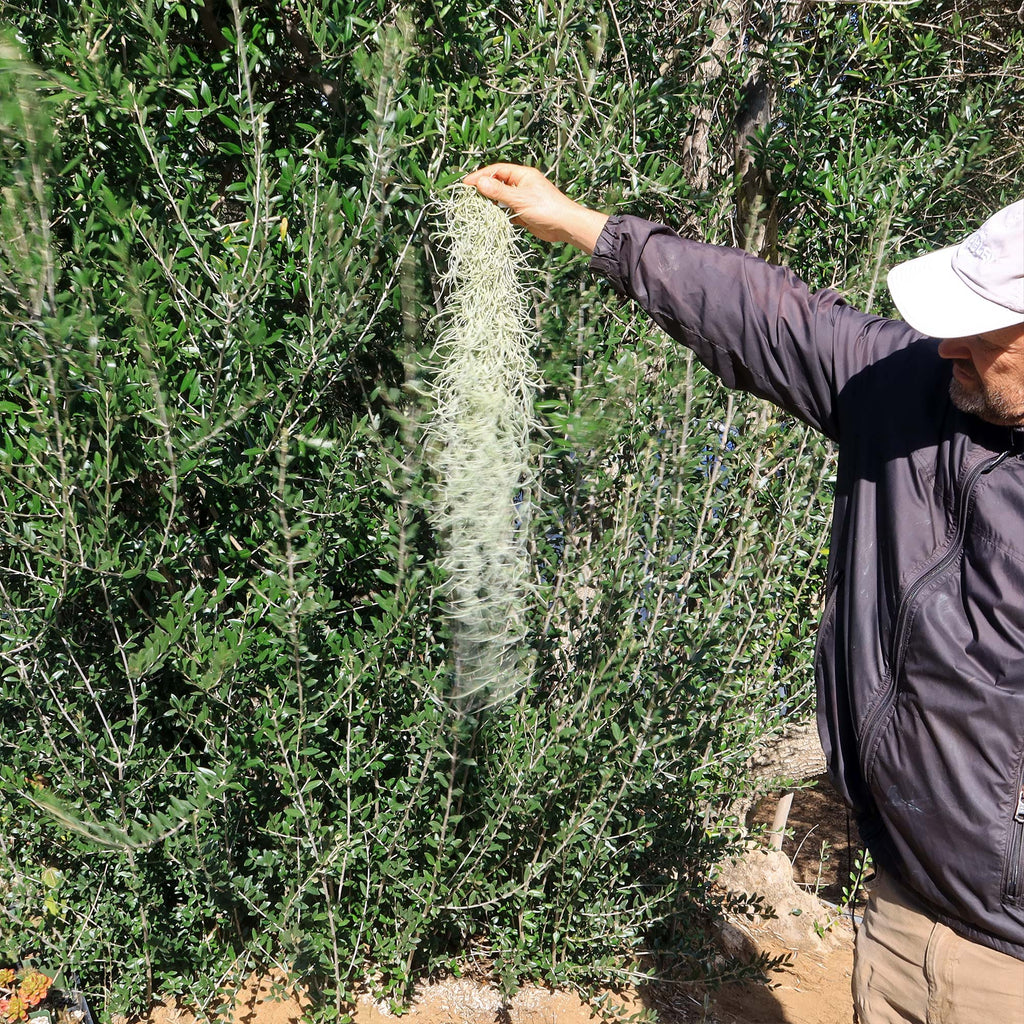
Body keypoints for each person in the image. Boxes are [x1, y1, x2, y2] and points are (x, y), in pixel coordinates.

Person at [464, 164, 1024, 1023]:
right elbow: (771, 314)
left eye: (981, 332)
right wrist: (585, 226)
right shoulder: (917, 393)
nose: (948, 346)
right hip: (903, 920)